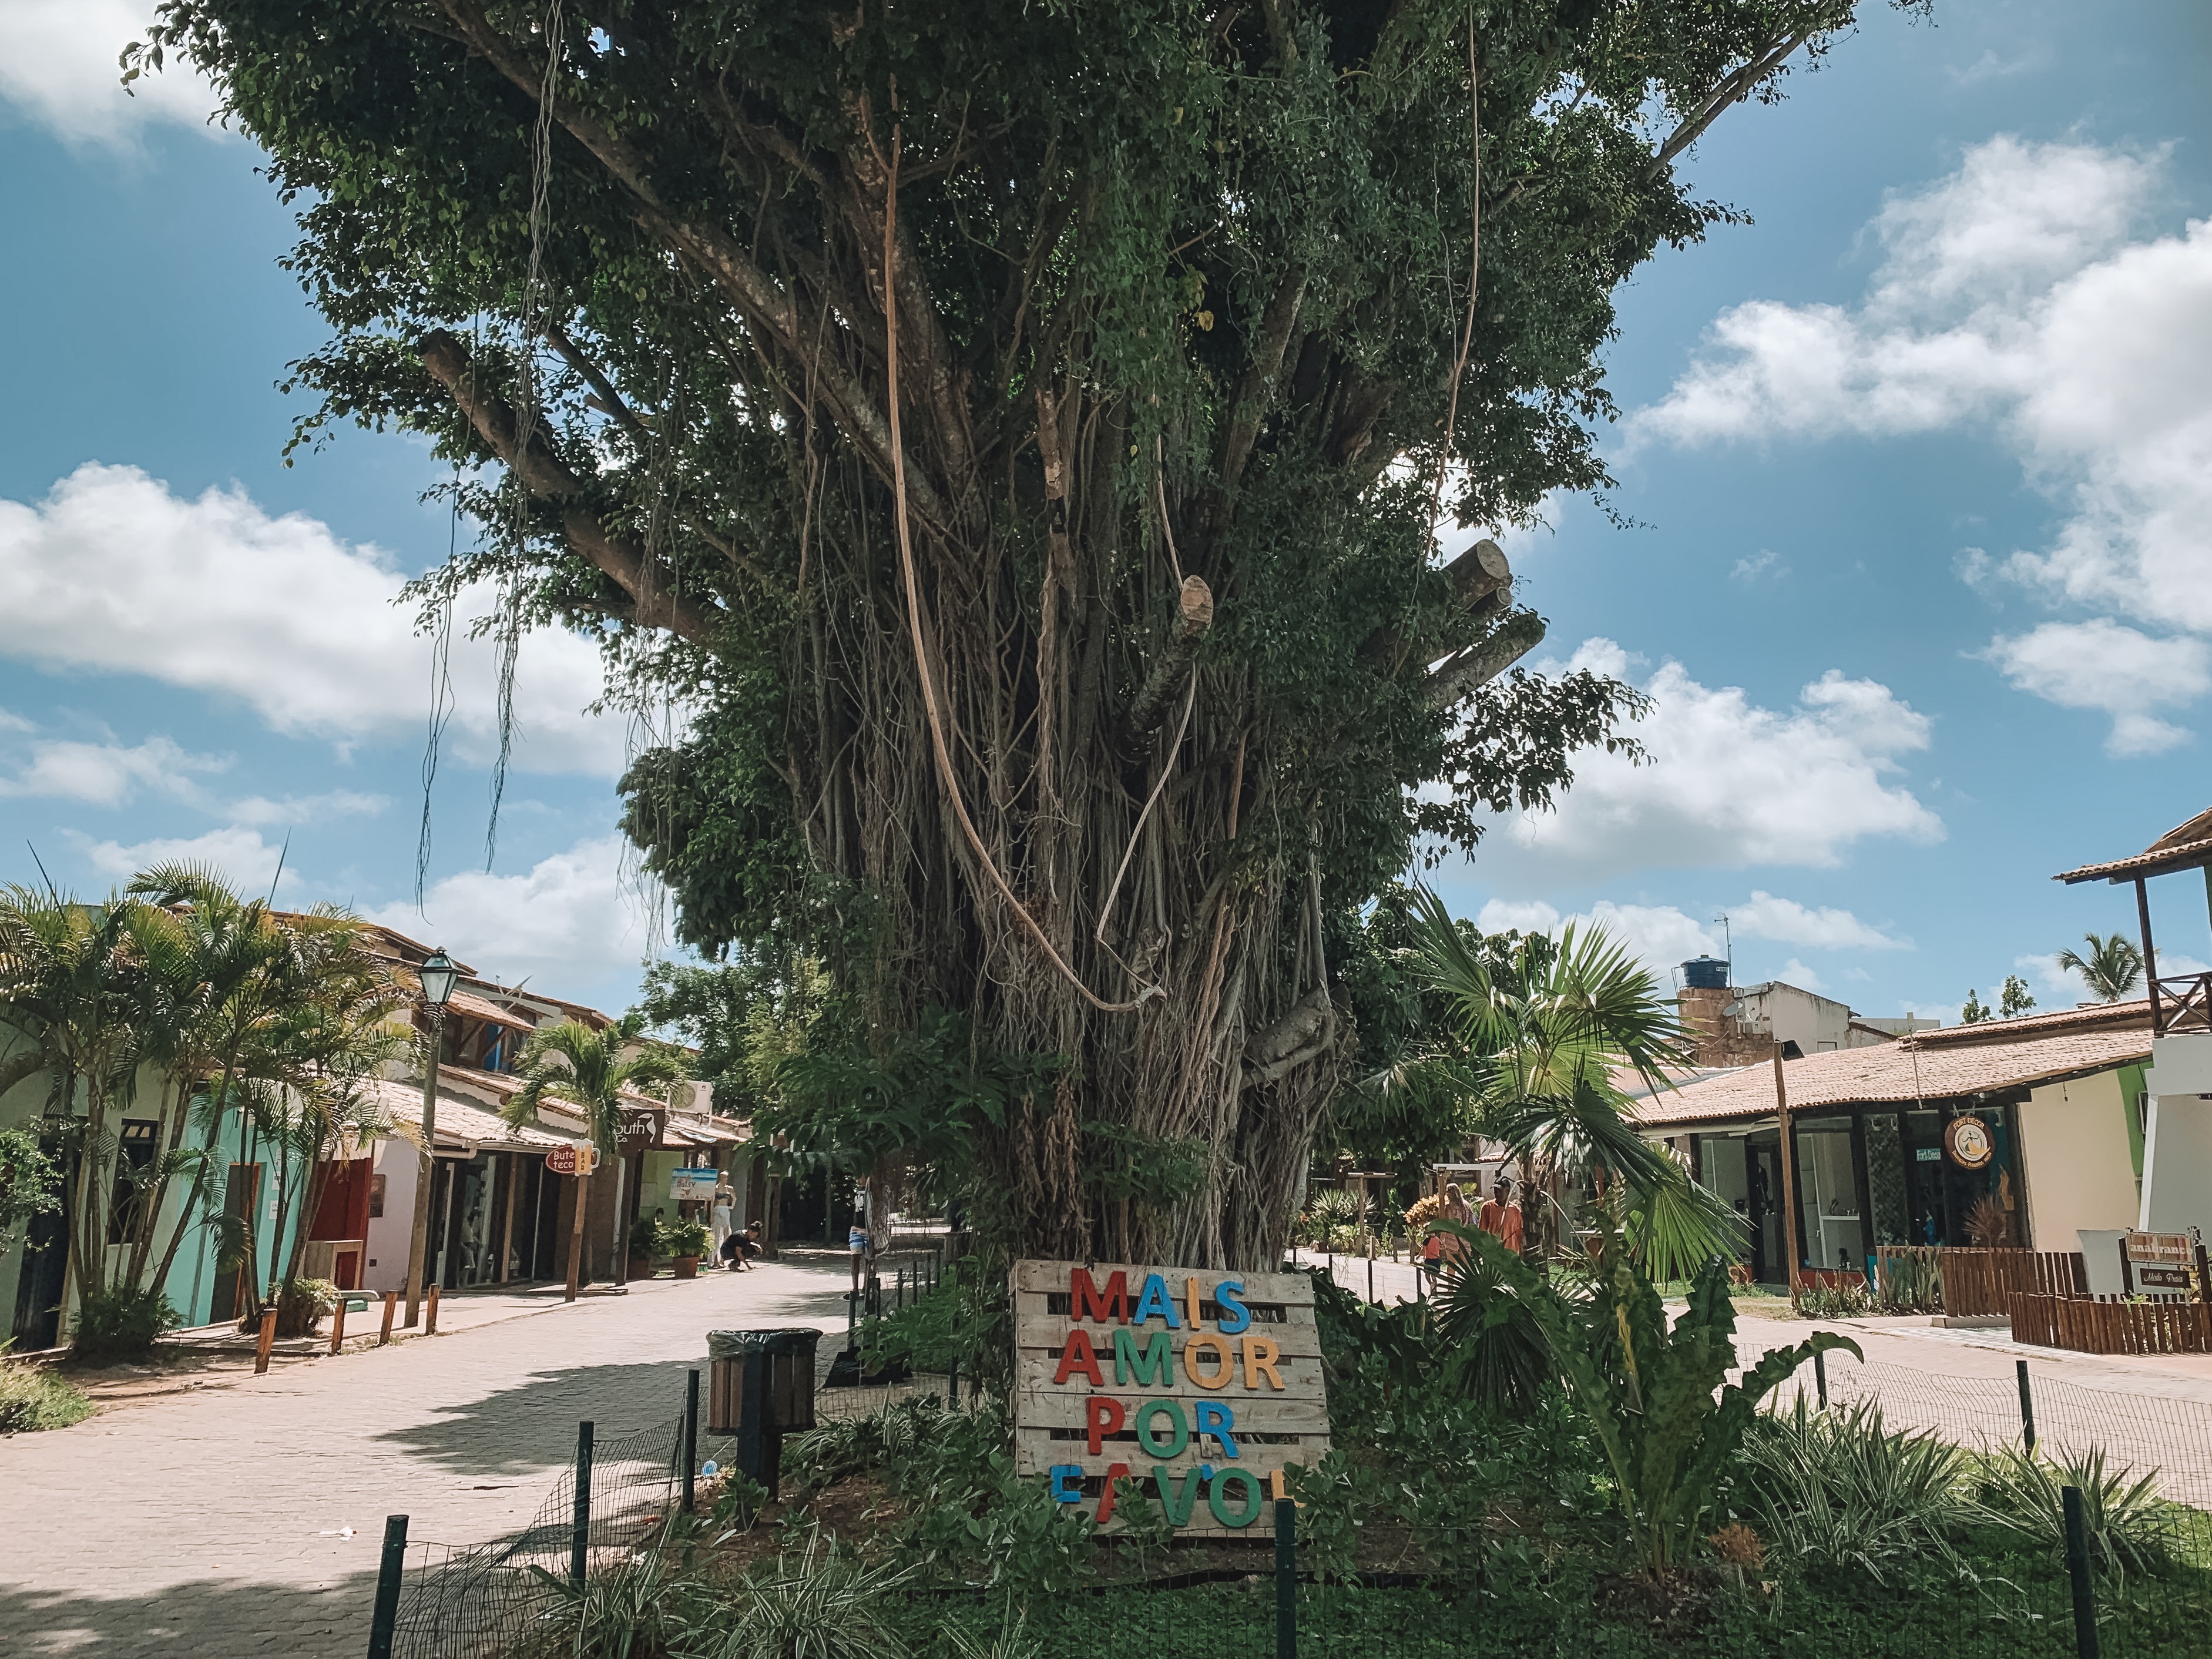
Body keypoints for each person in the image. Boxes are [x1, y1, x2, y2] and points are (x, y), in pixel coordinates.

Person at [1479, 1176, 1524, 1255]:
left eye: (1500, 1190)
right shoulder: (1488, 1207)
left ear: (1508, 1191)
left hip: (1510, 1253)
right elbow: (1482, 1231)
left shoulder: (1515, 1210)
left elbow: (1519, 1234)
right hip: (1493, 1253)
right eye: (1495, 1190)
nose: (1497, 1193)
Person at [710, 1179, 736, 1268]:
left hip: (725, 1210)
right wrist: (711, 1215)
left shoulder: (729, 1189)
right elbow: (712, 1202)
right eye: (722, 1177)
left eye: (725, 1177)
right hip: (717, 1210)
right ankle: (714, 1260)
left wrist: (731, 1206)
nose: (724, 1179)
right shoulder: (716, 1188)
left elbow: (734, 1198)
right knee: (716, 1235)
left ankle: (723, 1259)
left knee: (726, 1235)